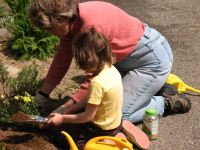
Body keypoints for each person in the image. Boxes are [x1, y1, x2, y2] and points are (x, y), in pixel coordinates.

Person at [28, 0, 191, 123]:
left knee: (112, 116)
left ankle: (164, 103)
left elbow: (94, 78)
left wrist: (65, 109)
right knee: (94, 105)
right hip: (124, 60)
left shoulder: (90, 27)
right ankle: (154, 87)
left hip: (150, 62)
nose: (48, 32)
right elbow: (61, 60)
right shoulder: (72, 23)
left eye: (48, 28)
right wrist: (43, 94)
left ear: (61, 18)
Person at [46, 27, 143, 149]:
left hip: (101, 129)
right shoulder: (111, 69)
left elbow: (88, 117)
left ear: (89, 61)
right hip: (115, 122)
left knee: (60, 138)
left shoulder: (97, 83)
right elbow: (90, 99)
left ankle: (107, 143)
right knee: (67, 124)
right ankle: (115, 135)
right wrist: (69, 109)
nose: (81, 67)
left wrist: (62, 118)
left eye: (81, 63)